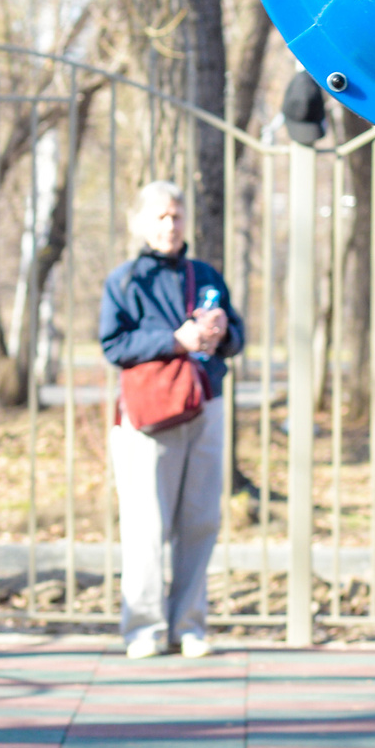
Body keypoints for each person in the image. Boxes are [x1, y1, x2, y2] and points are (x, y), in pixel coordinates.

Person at [97, 181, 245, 659]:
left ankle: (189, 626)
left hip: (205, 405)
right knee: (146, 525)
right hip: (149, 416)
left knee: (200, 520)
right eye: (160, 216)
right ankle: (143, 629)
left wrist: (220, 333)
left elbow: (238, 335)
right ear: (141, 222)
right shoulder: (125, 281)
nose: (170, 225)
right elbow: (113, 345)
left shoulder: (205, 275)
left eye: (176, 216)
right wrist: (175, 340)